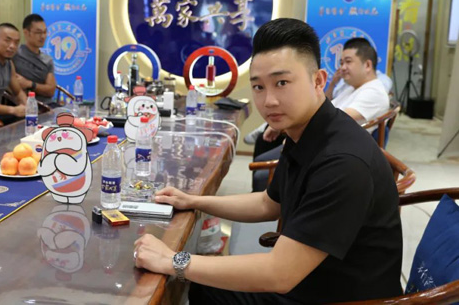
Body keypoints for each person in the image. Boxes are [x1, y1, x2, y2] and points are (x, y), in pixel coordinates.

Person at [133, 18, 402, 304]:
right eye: (259, 87)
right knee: (199, 285)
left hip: (336, 296)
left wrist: (173, 260)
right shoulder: (305, 132)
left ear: (318, 80)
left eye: (282, 83)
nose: (269, 100)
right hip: (310, 278)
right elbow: (268, 203)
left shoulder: (343, 162)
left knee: (191, 283)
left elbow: (280, 274)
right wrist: (194, 201)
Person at [252, 37, 390, 165]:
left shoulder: (374, 92)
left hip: (330, 149)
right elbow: (324, 104)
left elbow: (336, 120)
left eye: (348, 62)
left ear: (367, 65)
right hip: (321, 140)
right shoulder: (351, 88)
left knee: (261, 159)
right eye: (341, 62)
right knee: (264, 140)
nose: (342, 67)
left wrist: (293, 128)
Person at [13, 14, 58, 105]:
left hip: (48, 105)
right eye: (38, 32)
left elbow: (51, 90)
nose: (43, 36)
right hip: (26, 106)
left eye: (45, 32)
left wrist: (30, 84)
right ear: (26, 32)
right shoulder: (15, 54)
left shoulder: (47, 60)